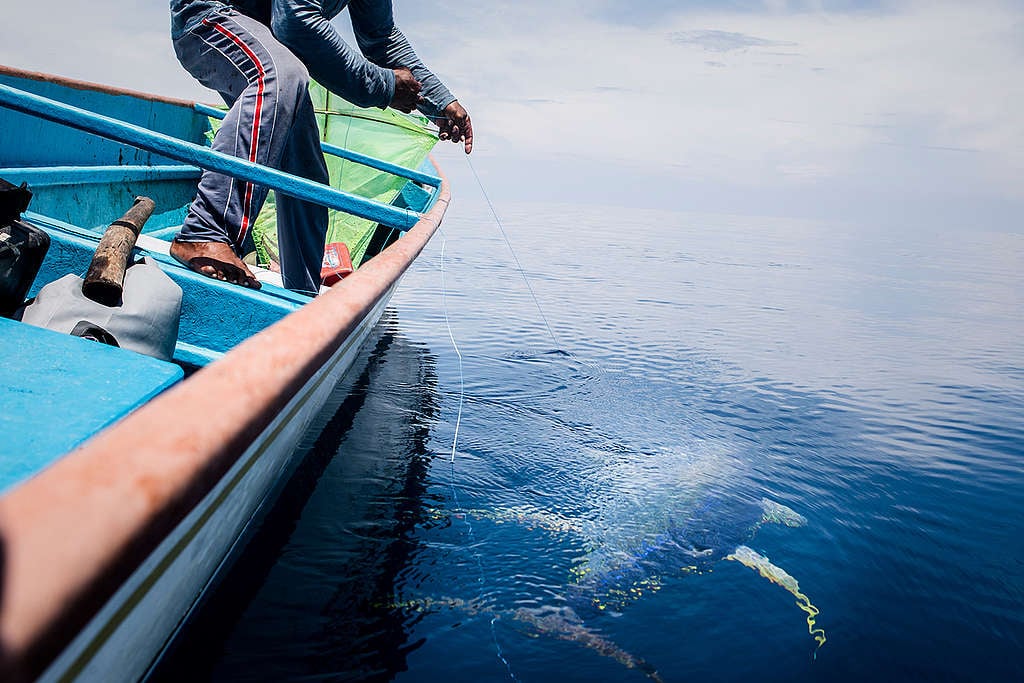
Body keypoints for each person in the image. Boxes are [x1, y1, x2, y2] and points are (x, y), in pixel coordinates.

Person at [169, 0, 472, 294]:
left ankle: (303, 290)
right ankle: (204, 231)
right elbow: (295, 22)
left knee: (307, 170)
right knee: (281, 75)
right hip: (208, 18)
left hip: (266, 44)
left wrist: (441, 102)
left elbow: (382, 39)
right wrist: (385, 87)